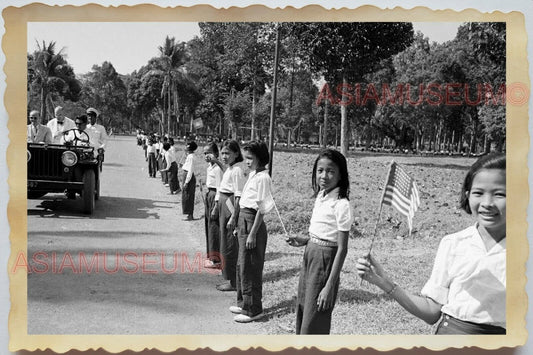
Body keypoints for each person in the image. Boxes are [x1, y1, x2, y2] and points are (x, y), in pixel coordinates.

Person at [356, 153, 506, 335]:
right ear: (467, 195)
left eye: (500, 194)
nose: (487, 203)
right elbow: (431, 312)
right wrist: (384, 282)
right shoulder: (453, 243)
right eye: (478, 193)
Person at [286, 149, 353, 334]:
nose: (324, 176)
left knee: (316, 314)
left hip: (325, 261)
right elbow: (323, 232)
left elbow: (342, 248)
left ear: (341, 176)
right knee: (303, 306)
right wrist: (305, 240)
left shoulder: (341, 204)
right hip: (310, 255)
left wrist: (329, 286)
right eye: (320, 170)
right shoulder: (321, 196)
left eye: (331, 171)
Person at [230, 141, 275, 323]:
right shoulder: (254, 175)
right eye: (245, 157)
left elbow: (261, 209)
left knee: (251, 267)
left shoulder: (264, 178)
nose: (246, 161)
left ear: (260, 158)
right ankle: (243, 302)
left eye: (250, 158)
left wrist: (252, 234)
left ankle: (253, 309)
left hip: (252, 222)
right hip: (244, 221)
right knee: (242, 265)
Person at [212, 140, 245, 292]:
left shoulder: (237, 170)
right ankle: (229, 276)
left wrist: (233, 217)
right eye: (223, 153)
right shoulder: (230, 169)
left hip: (230, 205)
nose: (224, 156)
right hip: (223, 204)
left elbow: (238, 195)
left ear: (236, 154)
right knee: (224, 242)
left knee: (230, 244)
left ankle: (233, 281)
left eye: (228, 153)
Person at [203, 142, 224, 268]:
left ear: (216, 154)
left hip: (215, 197)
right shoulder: (209, 167)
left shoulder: (217, 169)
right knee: (209, 226)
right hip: (209, 195)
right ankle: (211, 255)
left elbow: (220, 188)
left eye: (209, 152)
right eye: (205, 153)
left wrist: (216, 206)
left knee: (214, 227)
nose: (206, 155)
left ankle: (216, 259)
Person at [181, 141, 198, 221]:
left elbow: (190, 170)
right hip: (186, 175)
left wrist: (186, 182)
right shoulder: (189, 156)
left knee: (188, 196)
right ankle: (187, 213)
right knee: (185, 195)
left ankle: (190, 214)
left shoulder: (191, 157)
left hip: (188, 176)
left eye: (187, 146)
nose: (185, 147)